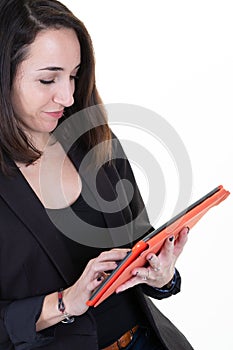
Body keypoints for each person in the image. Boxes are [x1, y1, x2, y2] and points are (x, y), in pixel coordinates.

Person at [0, 1, 193, 349]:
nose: (68, 95)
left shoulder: (93, 139)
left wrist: (161, 273)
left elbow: (137, 241)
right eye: (48, 79)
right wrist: (63, 303)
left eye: (74, 75)